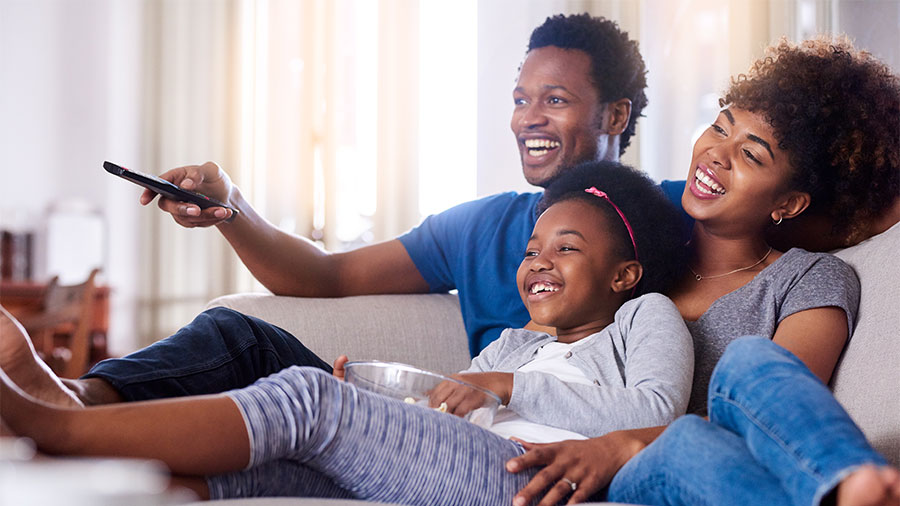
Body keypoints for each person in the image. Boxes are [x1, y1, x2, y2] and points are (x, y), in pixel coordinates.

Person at [26, 13, 678, 409]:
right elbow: (324, 278)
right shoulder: (481, 226)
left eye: (555, 99)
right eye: (520, 96)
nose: (529, 117)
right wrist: (232, 205)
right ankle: (76, 400)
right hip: (458, 414)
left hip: (518, 438)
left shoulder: (674, 216)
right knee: (236, 334)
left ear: (614, 115)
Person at [1, 160, 694, 504]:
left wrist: (508, 385)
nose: (539, 261)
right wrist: (378, 402)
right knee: (262, 466)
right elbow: (448, 411)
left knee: (305, 401)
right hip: (469, 455)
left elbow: (654, 414)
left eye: (566, 249)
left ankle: (52, 425)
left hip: (531, 475)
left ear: (624, 274)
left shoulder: (643, 316)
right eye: (532, 250)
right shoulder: (516, 340)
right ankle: (60, 468)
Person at [504, 37, 900, 506]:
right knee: (685, 444)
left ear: (789, 203)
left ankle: (851, 485)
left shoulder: (808, 278)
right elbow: (534, 349)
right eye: (718, 127)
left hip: (718, 461)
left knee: (746, 363)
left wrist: (623, 443)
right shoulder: (632, 257)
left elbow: (773, 417)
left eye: (751, 155)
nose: (717, 153)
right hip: (638, 473)